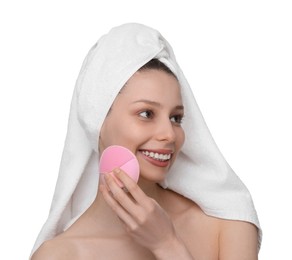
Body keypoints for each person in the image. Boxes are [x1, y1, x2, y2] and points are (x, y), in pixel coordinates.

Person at [30, 23, 261, 259]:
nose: (169, 135)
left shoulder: (226, 222)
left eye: (176, 118)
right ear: (97, 121)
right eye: (146, 114)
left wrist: (168, 245)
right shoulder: (60, 255)